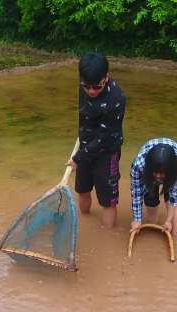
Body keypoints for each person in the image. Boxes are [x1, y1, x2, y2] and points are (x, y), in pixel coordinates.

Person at [66, 52, 126, 228]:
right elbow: (85, 115)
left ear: (106, 77)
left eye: (96, 87)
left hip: (107, 153)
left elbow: (104, 138)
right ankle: (83, 222)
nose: (91, 91)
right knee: (82, 190)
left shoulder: (116, 98)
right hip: (85, 147)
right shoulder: (83, 86)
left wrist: (78, 158)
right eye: (86, 86)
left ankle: (107, 236)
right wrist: (82, 150)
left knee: (108, 201)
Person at [129, 138, 177, 236]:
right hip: (148, 172)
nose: (158, 177)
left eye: (161, 174)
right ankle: (152, 235)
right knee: (151, 202)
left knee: (172, 201)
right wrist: (137, 219)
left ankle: (175, 237)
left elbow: (174, 197)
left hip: (171, 172)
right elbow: (136, 193)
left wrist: (168, 220)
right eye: (156, 173)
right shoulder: (138, 165)